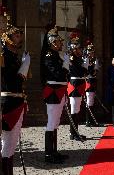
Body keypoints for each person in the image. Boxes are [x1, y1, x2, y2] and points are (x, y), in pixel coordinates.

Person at [1, 23, 30, 174]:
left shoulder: (14, 57)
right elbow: (12, 81)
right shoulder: (4, 56)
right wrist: (25, 66)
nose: (20, 38)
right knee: (6, 143)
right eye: (17, 36)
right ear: (8, 38)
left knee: (12, 143)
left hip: (17, 101)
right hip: (8, 103)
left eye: (20, 36)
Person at [41, 26, 69, 163]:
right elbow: (56, 74)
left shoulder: (56, 55)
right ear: (52, 42)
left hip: (59, 91)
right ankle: (48, 153)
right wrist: (65, 66)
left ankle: (54, 151)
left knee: (56, 122)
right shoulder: (48, 56)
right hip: (53, 91)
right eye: (59, 41)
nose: (61, 44)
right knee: (51, 123)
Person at [67, 31, 88, 141]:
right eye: (78, 48)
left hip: (79, 84)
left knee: (77, 110)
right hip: (75, 84)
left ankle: (75, 132)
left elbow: (84, 71)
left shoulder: (78, 58)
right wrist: (84, 68)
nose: (80, 50)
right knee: (74, 111)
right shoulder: (72, 58)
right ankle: (73, 133)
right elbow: (78, 70)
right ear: (74, 49)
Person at [83, 39, 101, 127]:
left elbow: (96, 69)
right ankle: (88, 120)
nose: (91, 54)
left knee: (92, 101)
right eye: (89, 52)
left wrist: (94, 71)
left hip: (93, 80)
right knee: (89, 102)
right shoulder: (86, 60)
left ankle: (92, 119)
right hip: (88, 81)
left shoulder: (95, 60)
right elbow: (85, 70)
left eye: (92, 52)